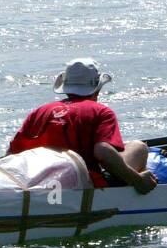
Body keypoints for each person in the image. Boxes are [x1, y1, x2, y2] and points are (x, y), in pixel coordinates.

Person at [8, 59, 156, 193]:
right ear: (97, 89)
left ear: (66, 87)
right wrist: (138, 180)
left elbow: (12, 154)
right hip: (83, 185)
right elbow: (103, 151)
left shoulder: (40, 111)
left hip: (38, 183)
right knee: (138, 147)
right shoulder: (101, 112)